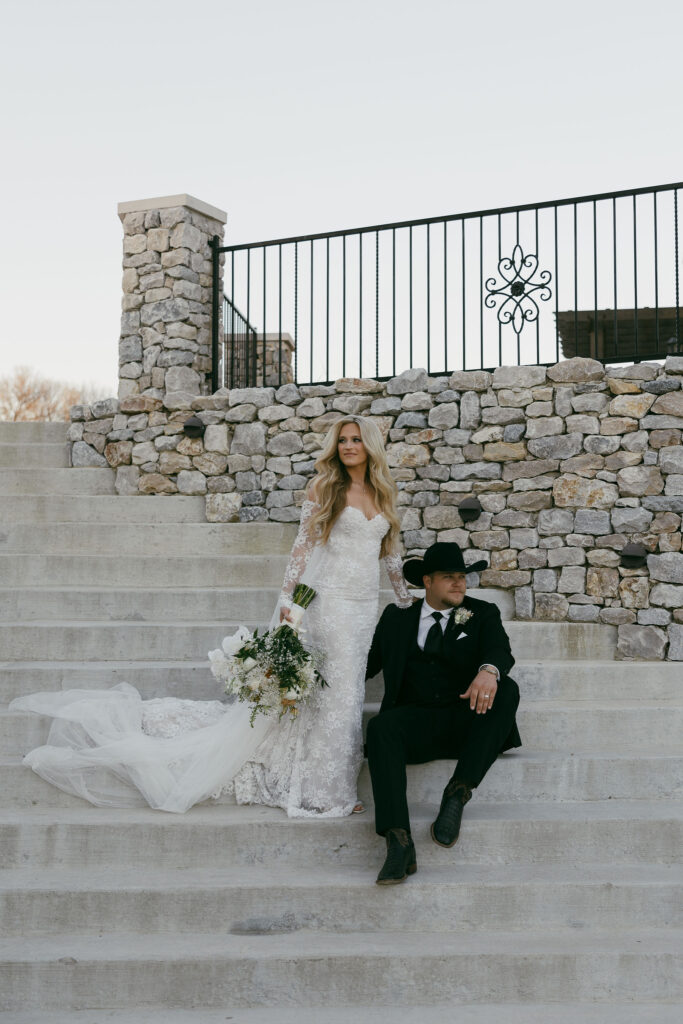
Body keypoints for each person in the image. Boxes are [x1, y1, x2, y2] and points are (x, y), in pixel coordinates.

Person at [11, 415, 412, 816]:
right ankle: (325, 793)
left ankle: (330, 783)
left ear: (370, 445)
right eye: (342, 440)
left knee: (348, 695)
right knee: (335, 696)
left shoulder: (383, 492)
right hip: (330, 604)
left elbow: (390, 554)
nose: (348, 446)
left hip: (362, 609)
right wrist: (289, 601)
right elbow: (302, 549)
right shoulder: (324, 488)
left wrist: (407, 603)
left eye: (356, 440)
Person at [364, 541, 521, 885]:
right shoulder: (397, 617)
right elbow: (366, 666)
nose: (459, 584)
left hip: (466, 722)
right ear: (427, 581)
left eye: (463, 577)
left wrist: (488, 670)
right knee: (379, 728)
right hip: (415, 722)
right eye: (449, 577)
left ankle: (457, 793)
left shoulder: (481, 613)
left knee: (507, 688)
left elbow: (500, 650)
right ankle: (398, 841)